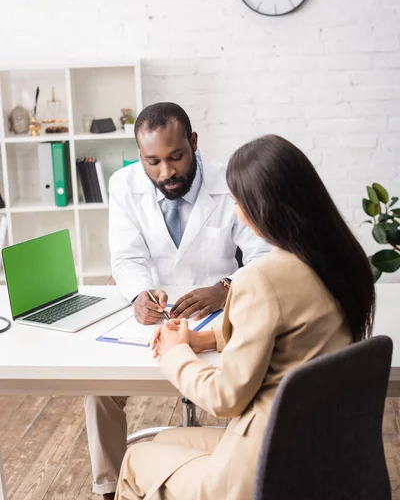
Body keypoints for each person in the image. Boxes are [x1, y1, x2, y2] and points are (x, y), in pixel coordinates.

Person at [115, 134, 375, 500]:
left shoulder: (261, 278)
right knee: (164, 439)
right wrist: (203, 339)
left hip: (263, 464)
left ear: (262, 207)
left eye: (237, 201)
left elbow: (225, 398)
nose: (235, 211)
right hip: (315, 448)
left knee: (135, 460)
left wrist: (176, 353)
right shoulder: (341, 262)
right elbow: (285, 329)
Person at [85, 103, 271, 499]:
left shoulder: (231, 180)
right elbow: (127, 258)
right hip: (157, 318)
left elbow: (264, 256)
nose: (165, 172)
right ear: (140, 156)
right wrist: (139, 294)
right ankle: (109, 487)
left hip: (219, 316)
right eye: (152, 161)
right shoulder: (123, 184)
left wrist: (225, 287)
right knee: (97, 386)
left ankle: (231, 465)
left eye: (176, 157)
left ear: (194, 144)